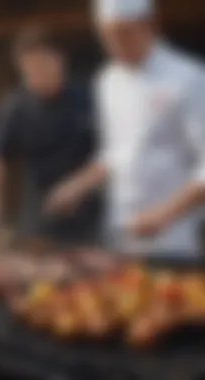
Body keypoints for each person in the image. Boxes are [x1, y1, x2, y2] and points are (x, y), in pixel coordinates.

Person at [46, 0, 205, 256]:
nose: (115, 45)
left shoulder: (189, 78)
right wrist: (78, 185)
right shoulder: (108, 81)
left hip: (173, 237)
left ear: (150, 25)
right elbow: (115, 154)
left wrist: (165, 214)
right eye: (107, 36)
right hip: (119, 231)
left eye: (124, 33)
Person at [0, 27, 99, 244]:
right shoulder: (15, 107)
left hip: (88, 217)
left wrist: (78, 186)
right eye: (29, 69)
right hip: (37, 216)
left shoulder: (88, 98)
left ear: (59, 61)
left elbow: (113, 154)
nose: (36, 74)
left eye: (42, 65)